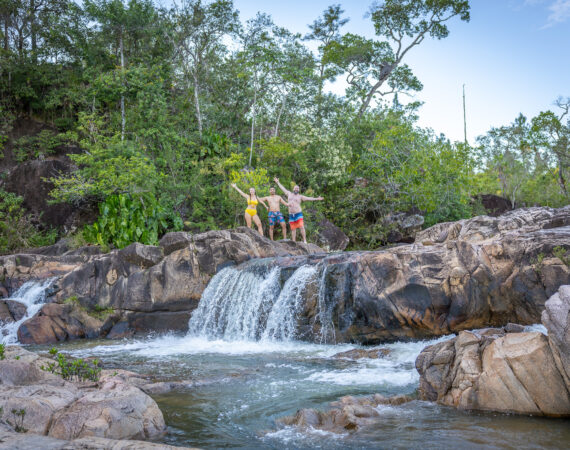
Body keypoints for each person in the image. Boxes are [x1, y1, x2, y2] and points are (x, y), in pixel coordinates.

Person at [274, 177, 323, 244]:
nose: (296, 189)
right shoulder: (289, 194)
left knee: (301, 227)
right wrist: (277, 182)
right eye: (295, 188)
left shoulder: (300, 197)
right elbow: (283, 188)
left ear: (298, 190)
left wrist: (317, 199)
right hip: (291, 214)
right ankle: (294, 242)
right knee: (293, 229)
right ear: (293, 189)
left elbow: (309, 198)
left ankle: (305, 241)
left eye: (297, 188)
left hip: (298, 214)